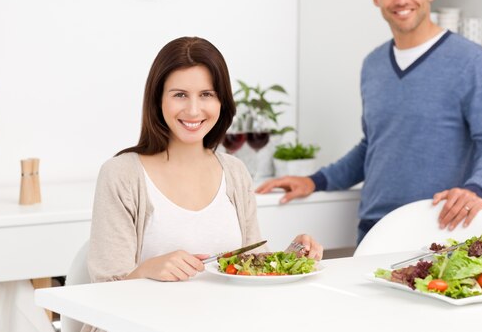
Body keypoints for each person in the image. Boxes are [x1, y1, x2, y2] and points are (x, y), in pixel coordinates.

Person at [257, 0, 482, 244]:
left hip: (443, 230)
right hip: (376, 229)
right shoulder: (373, 64)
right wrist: (315, 181)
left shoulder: (471, 60)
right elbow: (373, 146)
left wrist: (476, 189)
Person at [87, 36, 323, 288]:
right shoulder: (122, 174)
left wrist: (291, 257)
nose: (193, 110)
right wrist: (147, 270)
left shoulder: (234, 171)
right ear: (158, 100)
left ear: (221, 101)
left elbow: (252, 267)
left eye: (206, 94)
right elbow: (104, 289)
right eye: (179, 95)